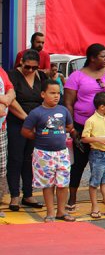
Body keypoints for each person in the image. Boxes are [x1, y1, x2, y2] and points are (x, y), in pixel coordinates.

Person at [63, 44, 105, 212]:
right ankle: (72, 196)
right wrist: (72, 128)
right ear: (92, 58)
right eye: (102, 56)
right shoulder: (76, 76)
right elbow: (68, 103)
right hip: (83, 125)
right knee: (79, 162)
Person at [20, 79, 74, 222]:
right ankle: (50, 212)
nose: (56, 96)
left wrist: (59, 134)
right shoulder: (36, 113)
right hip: (43, 154)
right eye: (52, 93)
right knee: (48, 184)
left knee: (63, 183)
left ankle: (61, 211)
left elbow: (69, 126)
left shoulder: (63, 110)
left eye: (58, 93)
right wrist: (39, 137)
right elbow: (25, 131)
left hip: (62, 152)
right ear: (43, 94)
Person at [6, 49, 47, 211]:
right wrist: (26, 118)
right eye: (27, 67)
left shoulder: (41, 77)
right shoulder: (13, 76)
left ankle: (28, 194)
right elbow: (12, 99)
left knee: (30, 159)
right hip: (17, 122)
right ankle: (14, 195)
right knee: (15, 158)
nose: (30, 70)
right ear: (21, 62)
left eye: (34, 68)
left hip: (35, 124)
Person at [0, 67, 15, 218]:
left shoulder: (0, 71)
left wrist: (5, 100)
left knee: (1, 168)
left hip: (1, 128)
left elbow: (11, 90)